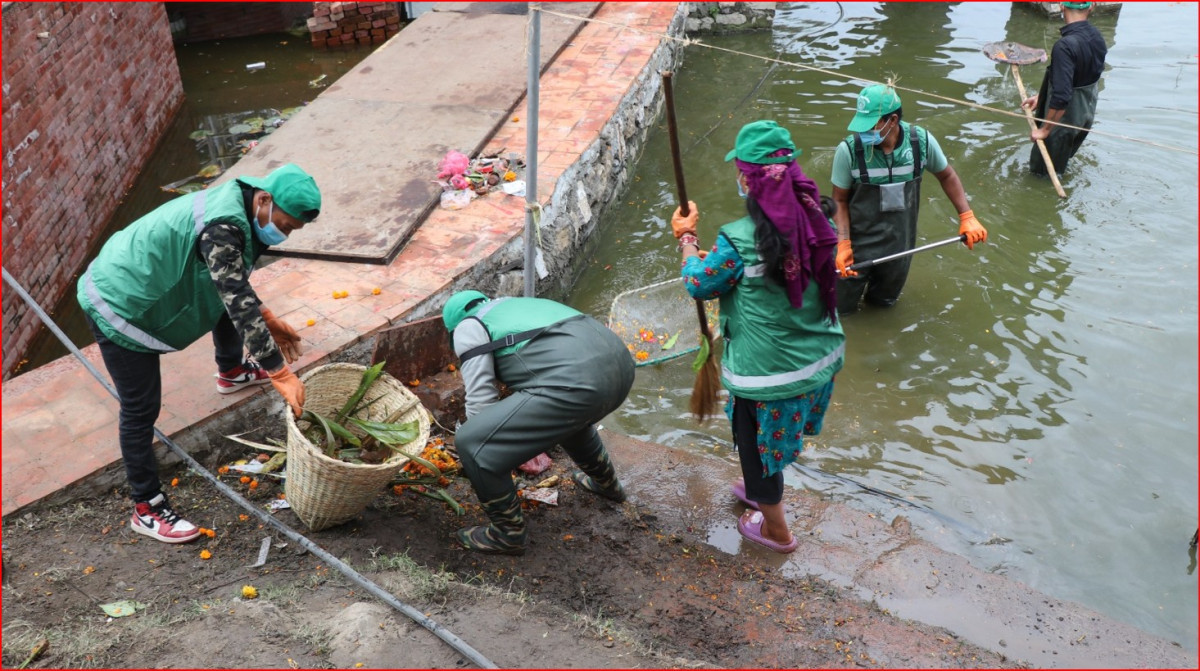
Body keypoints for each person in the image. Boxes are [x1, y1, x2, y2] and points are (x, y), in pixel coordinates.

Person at [77, 163, 317, 543]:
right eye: (285, 225)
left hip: (138, 271)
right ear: (265, 198)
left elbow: (228, 279)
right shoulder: (224, 226)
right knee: (140, 408)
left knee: (220, 297)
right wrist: (278, 370)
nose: (283, 234)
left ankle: (231, 370)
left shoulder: (243, 205)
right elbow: (235, 298)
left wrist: (265, 316)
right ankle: (147, 507)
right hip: (120, 297)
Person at [670, 120, 845, 554]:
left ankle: (777, 531)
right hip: (820, 359)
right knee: (772, 445)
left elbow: (698, 283)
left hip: (768, 376)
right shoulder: (816, 215)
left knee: (757, 453)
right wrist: (724, 261)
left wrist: (687, 239)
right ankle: (760, 490)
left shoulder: (738, 238)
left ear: (748, 179)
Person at [442, 290, 634, 555]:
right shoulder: (514, 305)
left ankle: (507, 535)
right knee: (568, 415)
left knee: (471, 442)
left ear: (452, 328)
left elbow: (480, 401)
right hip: (621, 366)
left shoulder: (468, 327)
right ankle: (608, 485)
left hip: (578, 381)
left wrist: (490, 448)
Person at [830, 84, 988, 314]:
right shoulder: (848, 152)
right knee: (840, 310)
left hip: (899, 246)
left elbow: (947, 175)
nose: (863, 133)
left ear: (892, 121)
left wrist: (967, 216)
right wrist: (842, 243)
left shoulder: (920, 143)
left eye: (870, 126)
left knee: (883, 307)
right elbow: (840, 201)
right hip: (856, 247)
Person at [1020, 1, 1107, 175]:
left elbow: (1061, 97)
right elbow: (1079, 79)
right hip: (1083, 118)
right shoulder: (1097, 37)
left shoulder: (1064, 46)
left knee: (1042, 175)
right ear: (1092, 6)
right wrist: (1042, 97)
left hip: (1061, 123)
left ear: (1061, 5)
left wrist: (1044, 130)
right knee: (1061, 165)